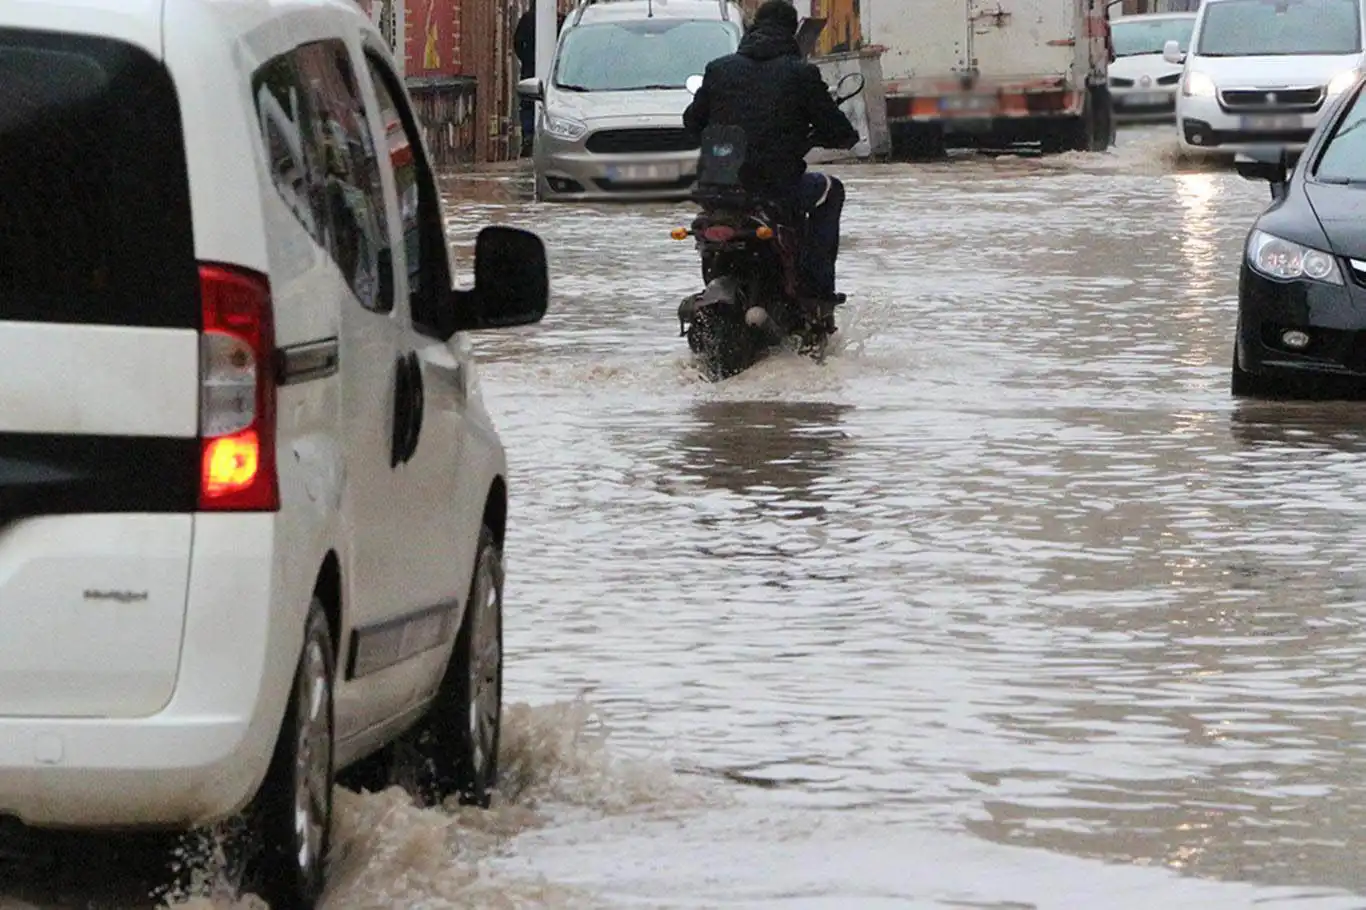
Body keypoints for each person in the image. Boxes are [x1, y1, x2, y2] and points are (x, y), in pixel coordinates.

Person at [682, 0, 859, 301]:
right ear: (792, 33)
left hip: (717, 189)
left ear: (752, 28)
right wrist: (831, 137)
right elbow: (839, 131)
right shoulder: (801, 74)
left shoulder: (719, 69)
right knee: (831, 191)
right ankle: (818, 294)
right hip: (776, 188)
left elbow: (691, 122)